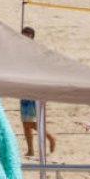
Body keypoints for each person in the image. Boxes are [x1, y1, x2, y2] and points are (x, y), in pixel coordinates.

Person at [19, 26, 56, 158]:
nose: (24, 38)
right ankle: (30, 149)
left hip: (34, 88)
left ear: (31, 37)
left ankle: (50, 137)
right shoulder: (21, 51)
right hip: (24, 88)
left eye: (26, 36)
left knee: (31, 121)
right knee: (24, 122)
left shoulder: (35, 51)